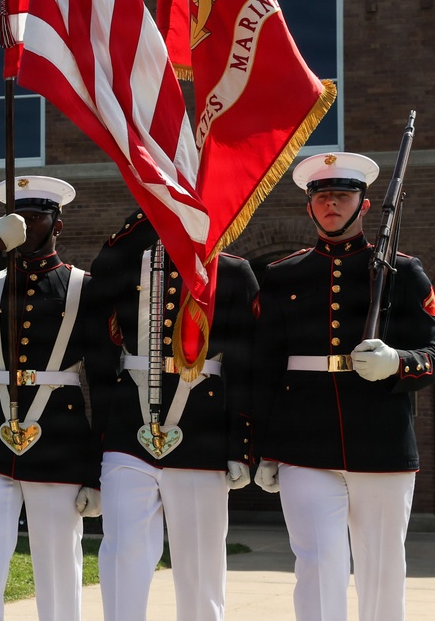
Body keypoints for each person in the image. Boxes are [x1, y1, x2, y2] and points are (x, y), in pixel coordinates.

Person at [253, 152, 435, 621]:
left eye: (343, 194)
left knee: (381, 567)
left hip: (381, 442)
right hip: (303, 443)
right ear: (309, 207)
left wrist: (400, 362)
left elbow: (433, 352)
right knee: (317, 565)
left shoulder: (403, 271)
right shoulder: (280, 276)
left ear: (366, 205)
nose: (331, 203)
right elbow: (265, 368)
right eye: (322, 196)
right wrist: (263, 447)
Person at [0, 176, 103, 621]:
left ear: (58, 225)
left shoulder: (83, 286)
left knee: (56, 559)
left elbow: (104, 383)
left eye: (36, 218)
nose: (27, 227)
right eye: (19, 219)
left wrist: (95, 469)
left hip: (60, 434)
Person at [89, 209, 259, 621]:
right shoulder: (133, 261)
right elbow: (99, 274)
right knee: (122, 554)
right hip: (130, 429)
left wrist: (242, 444)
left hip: (203, 432)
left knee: (201, 567)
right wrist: (149, 209)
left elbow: (247, 365)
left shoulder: (233, 272)